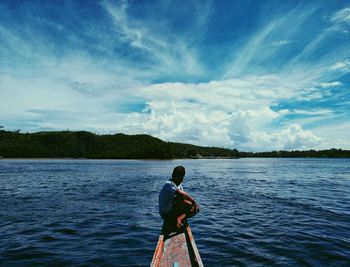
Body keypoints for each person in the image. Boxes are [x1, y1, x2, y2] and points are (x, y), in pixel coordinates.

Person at [159, 166, 199, 230]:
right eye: (177, 176)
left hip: (172, 209)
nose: (180, 179)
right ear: (173, 175)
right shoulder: (168, 184)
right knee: (181, 199)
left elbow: (184, 198)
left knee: (195, 208)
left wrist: (193, 204)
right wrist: (193, 202)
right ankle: (174, 220)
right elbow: (180, 193)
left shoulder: (179, 185)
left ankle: (179, 219)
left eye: (181, 177)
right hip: (165, 214)